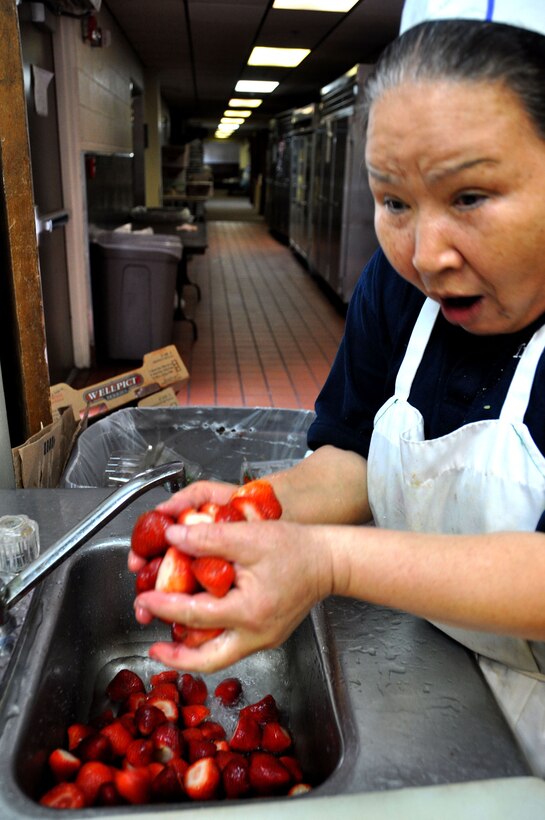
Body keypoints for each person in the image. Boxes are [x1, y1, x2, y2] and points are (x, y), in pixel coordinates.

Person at [130, 0, 545, 775]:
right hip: (439, 676)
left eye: (469, 198)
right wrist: (254, 512)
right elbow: (351, 454)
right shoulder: (396, 292)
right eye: (392, 202)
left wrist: (326, 562)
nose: (425, 254)